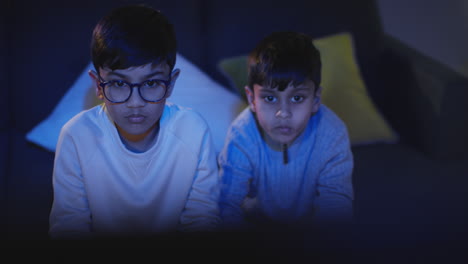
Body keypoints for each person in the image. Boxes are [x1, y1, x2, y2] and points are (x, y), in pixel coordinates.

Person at [49, 4, 220, 239]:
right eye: (119, 84)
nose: (136, 103)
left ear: (170, 84)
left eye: (150, 84)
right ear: (98, 85)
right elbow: (69, 227)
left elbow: (202, 222)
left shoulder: (193, 131)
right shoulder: (76, 136)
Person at [218, 31, 354, 232]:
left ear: (315, 100)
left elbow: (335, 208)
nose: (283, 113)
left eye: (297, 98)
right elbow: (227, 205)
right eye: (270, 98)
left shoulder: (332, 133)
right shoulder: (241, 134)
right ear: (252, 99)